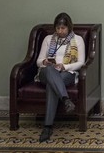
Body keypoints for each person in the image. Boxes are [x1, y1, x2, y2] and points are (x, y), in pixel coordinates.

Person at [35, 12, 86, 142]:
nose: (60, 31)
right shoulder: (48, 39)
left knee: (52, 85)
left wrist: (65, 67)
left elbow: (80, 63)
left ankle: (47, 127)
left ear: (69, 27)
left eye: (63, 28)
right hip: (46, 72)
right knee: (50, 70)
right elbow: (38, 61)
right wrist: (45, 62)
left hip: (66, 73)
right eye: (57, 28)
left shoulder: (78, 40)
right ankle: (66, 99)